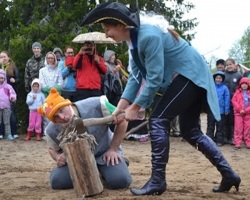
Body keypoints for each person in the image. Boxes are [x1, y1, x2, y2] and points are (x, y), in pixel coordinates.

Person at [81, 2, 241, 195]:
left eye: (108, 29)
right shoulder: (132, 41)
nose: (106, 34)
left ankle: (158, 181)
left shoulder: (148, 36)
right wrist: (120, 108)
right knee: (190, 131)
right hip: (188, 76)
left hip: (191, 75)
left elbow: (155, 77)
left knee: (158, 119)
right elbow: (135, 77)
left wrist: (136, 107)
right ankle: (229, 174)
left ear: (121, 25)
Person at [37, 88, 132, 189]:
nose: (62, 117)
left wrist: (113, 149)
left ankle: (116, 166)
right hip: (78, 160)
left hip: (105, 154)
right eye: (56, 117)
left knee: (120, 181)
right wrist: (57, 157)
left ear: (67, 104)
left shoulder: (97, 104)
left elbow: (123, 120)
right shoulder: (51, 130)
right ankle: (95, 170)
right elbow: (51, 149)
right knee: (57, 182)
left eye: (61, 110)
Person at [206, 71, 230, 146]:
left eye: (220, 78)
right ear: (214, 78)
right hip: (212, 110)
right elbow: (208, 97)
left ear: (222, 79)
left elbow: (227, 98)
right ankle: (209, 140)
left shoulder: (225, 88)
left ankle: (219, 140)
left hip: (221, 111)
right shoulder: (211, 87)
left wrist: (226, 109)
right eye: (217, 78)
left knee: (220, 126)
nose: (218, 79)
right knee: (210, 125)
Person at [0, 51, 20, 139]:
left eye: (4, 57)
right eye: (1, 57)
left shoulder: (13, 66)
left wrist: (14, 80)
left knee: (11, 114)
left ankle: (14, 132)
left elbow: (18, 79)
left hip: (10, 93)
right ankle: (2, 133)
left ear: (8, 57)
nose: (3, 59)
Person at [224, 58, 242, 144]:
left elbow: (242, 87)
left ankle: (234, 138)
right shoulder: (223, 75)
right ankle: (226, 137)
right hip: (225, 102)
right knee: (225, 120)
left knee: (234, 120)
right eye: (227, 65)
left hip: (235, 103)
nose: (229, 66)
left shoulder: (239, 75)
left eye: (230, 64)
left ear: (235, 65)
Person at [231, 77, 250, 149]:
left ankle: (248, 141)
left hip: (248, 114)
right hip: (238, 114)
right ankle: (237, 142)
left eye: (246, 84)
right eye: (243, 84)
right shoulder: (237, 92)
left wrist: (246, 110)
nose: (244, 85)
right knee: (238, 128)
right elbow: (234, 101)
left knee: (247, 128)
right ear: (240, 85)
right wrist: (240, 109)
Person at [0, 69, 17, 141]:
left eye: (2, 78)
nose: (1, 79)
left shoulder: (8, 86)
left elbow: (12, 93)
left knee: (7, 122)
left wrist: (12, 98)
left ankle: (8, 134)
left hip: (7, 106)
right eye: (0, 78)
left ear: (5, 78)